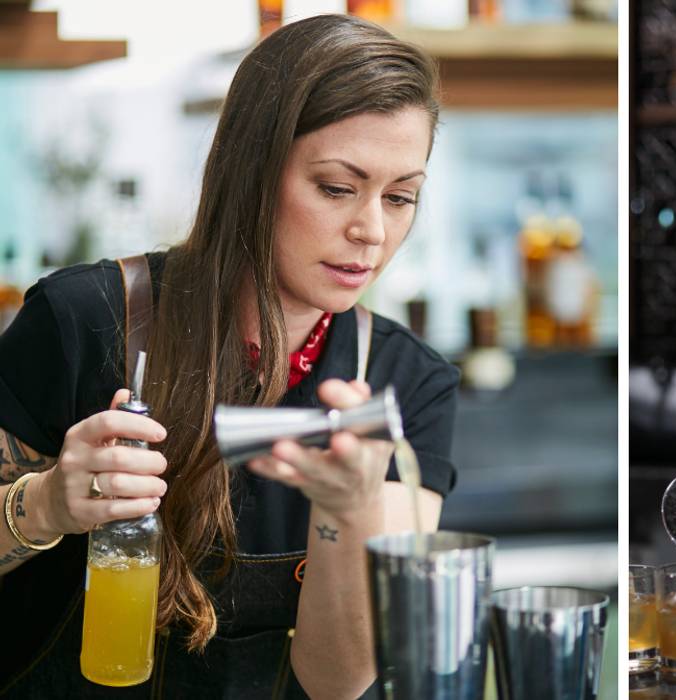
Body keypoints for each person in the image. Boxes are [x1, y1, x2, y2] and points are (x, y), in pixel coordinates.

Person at [0, 14, 457, 699]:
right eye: (336, 187)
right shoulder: (82, 322)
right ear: (251, 170)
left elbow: (339, 681)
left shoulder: (403, 384)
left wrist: (349, 509)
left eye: (400, 198)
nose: (371, 230)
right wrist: (47, 505)